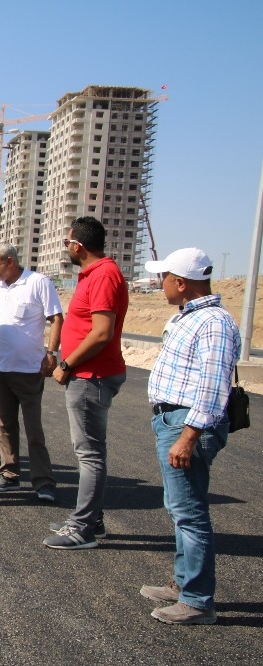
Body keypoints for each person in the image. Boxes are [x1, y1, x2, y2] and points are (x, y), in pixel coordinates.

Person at [140, 248, 239, 625]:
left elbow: (213, 388)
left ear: (180, 283)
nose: (160, 282)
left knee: (190, 512)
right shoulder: (190, 318)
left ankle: (198, 600)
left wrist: (189, 436)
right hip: (174, 421)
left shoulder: (213, 322)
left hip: (187, 425)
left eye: (163, 276)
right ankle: (183, 584)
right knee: (180, 507)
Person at [44, 217, 128, 549]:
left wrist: (66, 363)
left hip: (91, 376)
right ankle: (93, 518)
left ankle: (83, 528)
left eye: (67, 243)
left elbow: (102, 332)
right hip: (88, 373)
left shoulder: (104, 275)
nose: (67, 247)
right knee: (90, 451)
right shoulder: (96, 274)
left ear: (78, 245)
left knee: (89, 453)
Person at [0, 244, 63, 502]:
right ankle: (9, 475)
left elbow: (57, 318)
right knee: (3, 426)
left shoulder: (38, 282)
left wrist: (52, 354)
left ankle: (43, 482)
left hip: (29, 370)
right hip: (0, 369)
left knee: (33, 429)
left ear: (10, 261)